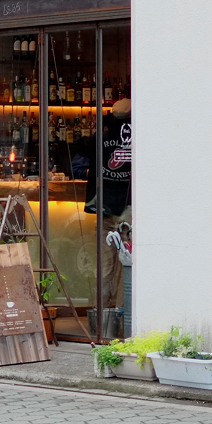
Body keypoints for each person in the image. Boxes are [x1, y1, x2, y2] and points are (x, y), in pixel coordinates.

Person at [84, 98, 132, 313]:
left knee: (105, 266)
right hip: (128, 210)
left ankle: (101, 316)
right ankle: (123, 314)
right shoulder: (137, 135)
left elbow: (80, 148)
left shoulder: (100, 137)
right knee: (126, 266)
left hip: (104, 208)